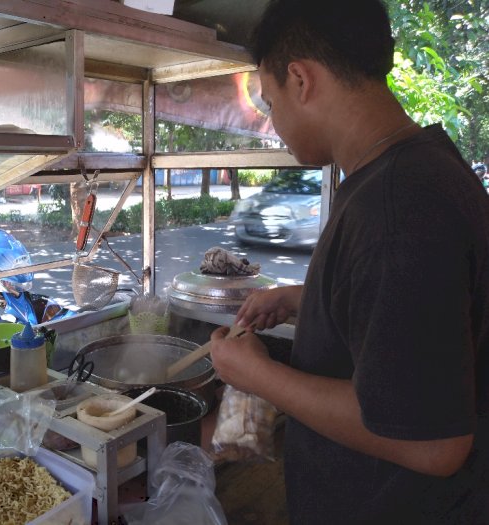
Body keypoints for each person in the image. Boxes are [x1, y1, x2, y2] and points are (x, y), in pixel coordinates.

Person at [209, 1, 489, 523]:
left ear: (300, 79)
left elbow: (433, 443)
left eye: (269, 105)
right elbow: (407, 322)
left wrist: (258, 376)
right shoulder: (412, 171)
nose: (274, 127)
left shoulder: (399, 208)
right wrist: (305, 300)